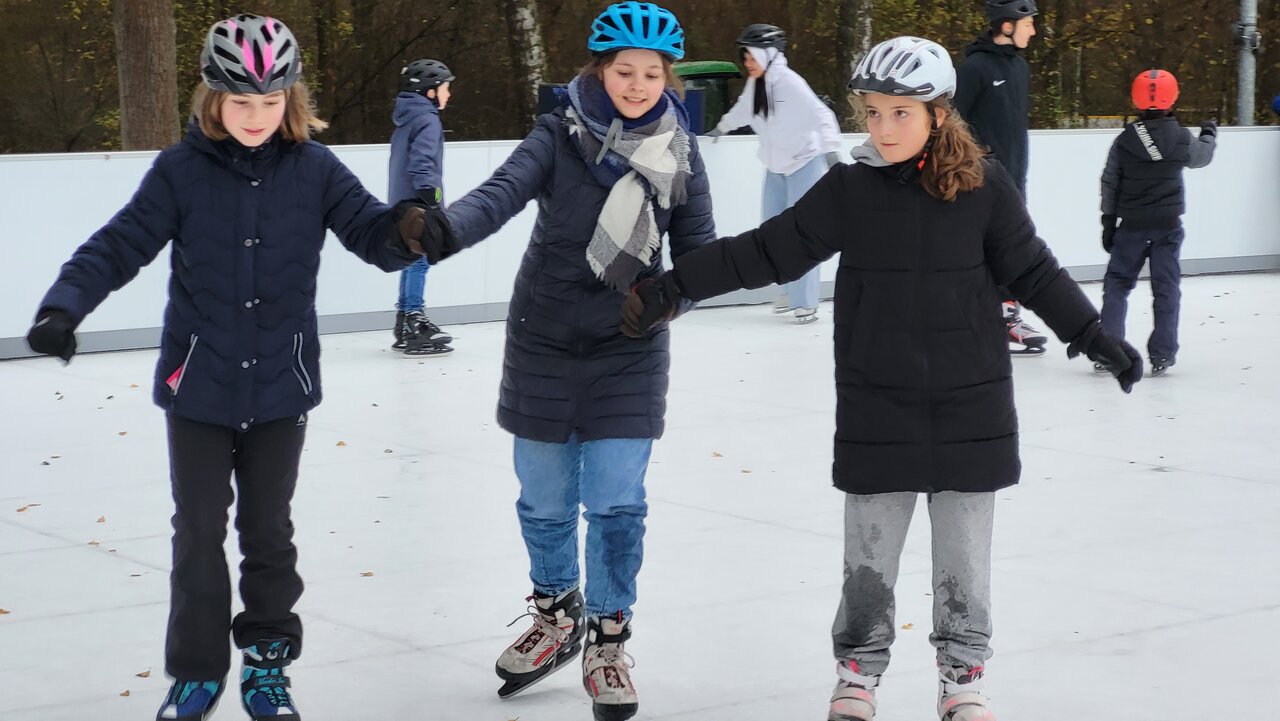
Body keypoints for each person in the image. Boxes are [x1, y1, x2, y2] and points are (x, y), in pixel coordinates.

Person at [618, 36, 1142, 721]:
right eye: (873, 112)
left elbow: (1035, 271)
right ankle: (858, 674)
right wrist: (676, 286)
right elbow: (769, 249)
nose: (883, 127)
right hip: (877, 402)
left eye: (901, 112)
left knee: (965, 564)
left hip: (971, 404)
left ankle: (963, 678)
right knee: (868, 561)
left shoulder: (984, 186)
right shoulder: (851, 189)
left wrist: (1094, 335)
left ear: (938, 112)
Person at [23, 15, 425, 721]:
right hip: (198, 388)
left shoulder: (315, 169)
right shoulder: (181, 171)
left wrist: (410, 229)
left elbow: (372, 235)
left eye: (271, 102)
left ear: (291, 100)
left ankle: (267, 665)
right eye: (242, 102)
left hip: (281, 385)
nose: (256, 116)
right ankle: (196, 672)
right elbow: (118, 245)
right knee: (198, 532)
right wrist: (64, 306)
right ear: (212, 98)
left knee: (268, 531)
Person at [398, 3, 713, 719]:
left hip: (629, 347)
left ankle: (606, 635)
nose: (637, 84)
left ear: (668, 78)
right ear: (600, 70)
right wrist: (442, 230)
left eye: (651, 73)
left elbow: (701, 257)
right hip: (542, 339)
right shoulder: (559, 133)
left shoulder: (679, 152)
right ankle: (556, 612)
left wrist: (666, 301)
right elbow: (500, 194)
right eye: (624, 71)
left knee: (615, 500)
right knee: (543, 499)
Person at [705, 22, 844, 324]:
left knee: (804, 234)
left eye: (752, 56)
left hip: (804, 163)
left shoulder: (790, 83)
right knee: (774, 232)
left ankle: (805, 301)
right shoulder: (757, 84)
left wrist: (831, 151)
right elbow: (744, 110)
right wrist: (721, 127)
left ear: (769, 54)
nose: (747, 63)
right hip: (776, 166)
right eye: (745, 57)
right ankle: (788, 291)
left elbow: (821, 114)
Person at [1098, 69, 1217, 376]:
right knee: (1166, 288)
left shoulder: (1125, 140)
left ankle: (1109, 350)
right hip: (1167, 227)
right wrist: (1208, 134)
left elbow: (1110, 181)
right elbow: (1201, 158)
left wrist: (1108, 221)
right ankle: (1162, 354)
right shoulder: (1180, 137)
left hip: (1131, 227)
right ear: (1173, 97)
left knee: (1117, 285)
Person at [955, 0, 1048, 355]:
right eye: (1028, 23)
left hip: (1015, 179)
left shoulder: (1020, 67)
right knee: (984, 252)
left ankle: (1006, 318)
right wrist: (977, 158)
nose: (1034, 30)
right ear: (1006, 26)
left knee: (1012, 250)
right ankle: (989, 321)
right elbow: (952, 121)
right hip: (981, 181)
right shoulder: (975, 68)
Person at [390, 58, 456, 355]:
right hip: (419, 201)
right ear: (430, 92)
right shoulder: (428, 119)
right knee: (419, 262)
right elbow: (422, 163)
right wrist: (434, 201)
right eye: (445, 88)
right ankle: (414, 320)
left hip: (402, 201)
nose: (448, 94)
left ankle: (405, 320)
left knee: (411, 260)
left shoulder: (406, 117)